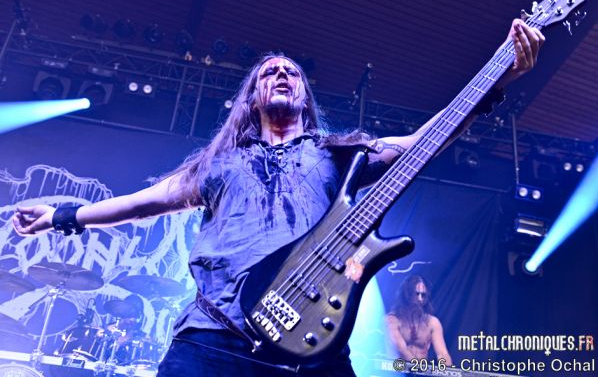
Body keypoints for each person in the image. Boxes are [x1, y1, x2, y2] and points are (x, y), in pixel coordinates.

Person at [12, 19, 543, 376]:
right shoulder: (219, 164)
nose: (282, 74)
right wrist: (61, 214)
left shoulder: (337, 153)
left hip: (312, 343)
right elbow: (140, 201)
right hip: (213, 335)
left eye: (292, 72)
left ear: (305, 97)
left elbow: (423, 142)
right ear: (252, 99)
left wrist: (497, 78)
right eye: (270, 72)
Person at [385, 275, 452, 366]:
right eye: (416, 294)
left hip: (421, 370)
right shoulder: (392, 320)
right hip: (398, 370)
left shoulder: (432, 322)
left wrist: (449, 371)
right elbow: (401, 349)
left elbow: (442, 354)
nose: (420, 299)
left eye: (423, 295)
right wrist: (419, 368)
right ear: (407, 294)